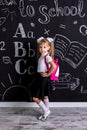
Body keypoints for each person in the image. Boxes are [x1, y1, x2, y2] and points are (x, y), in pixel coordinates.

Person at [32, 37, 56, 121]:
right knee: (45, 96)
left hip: (43, 78)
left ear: (49, 47)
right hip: (41, 78)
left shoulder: (47, 57)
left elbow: (54, 66)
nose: (42, 49)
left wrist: (48, 74)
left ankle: (46, 111)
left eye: (44, 47)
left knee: (35, 98)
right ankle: (47, 111)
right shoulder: (42, 56)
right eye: (40, 47)